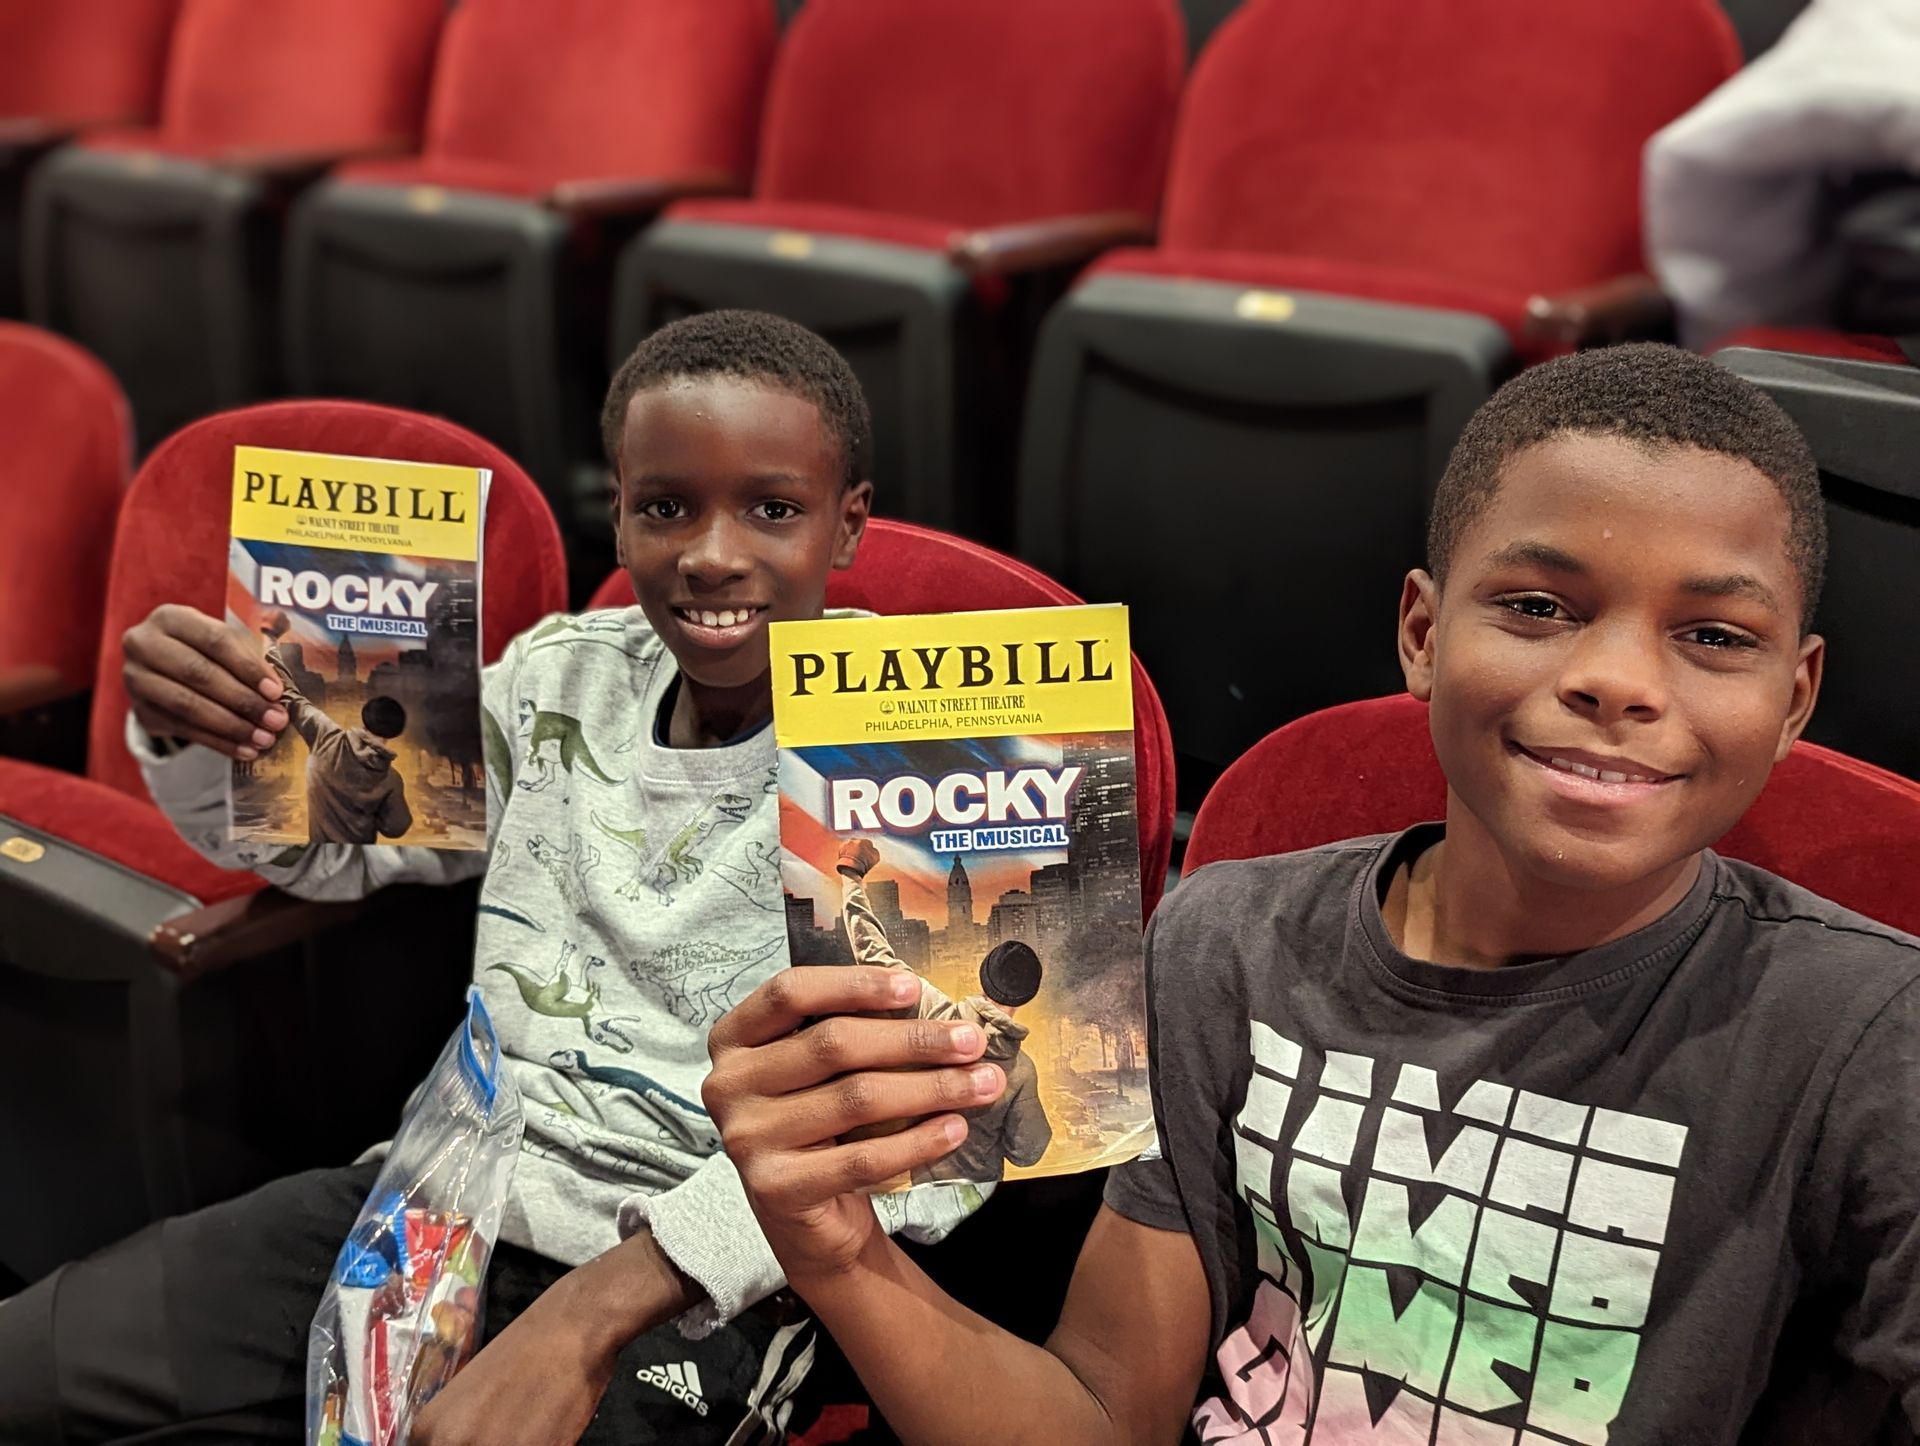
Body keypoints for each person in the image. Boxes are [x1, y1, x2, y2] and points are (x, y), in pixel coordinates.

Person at [702, 343, 1920, 1444]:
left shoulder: (1868, 1040)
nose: (1617, 680)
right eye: (1539, 608)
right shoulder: (1226, 941)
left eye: (1714, 636)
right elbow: (1103, 1415)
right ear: (1423, 634)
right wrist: (837, 1251)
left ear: (1795, 698)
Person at [0, 312, 980, 1445]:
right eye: (667, 508)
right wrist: (197, 733)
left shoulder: (920, 743)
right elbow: (329, 850)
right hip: (442, 1193)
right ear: (620, 512)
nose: (713, 554)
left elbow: (937, 1137)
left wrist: (597, 1309)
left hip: (717, 1274)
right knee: (28, 1370)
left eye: (773, 509)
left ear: (846, 522)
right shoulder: (559, 675)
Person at [834, 837, 1052, 1185]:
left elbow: (873, 954)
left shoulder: (936, 1017)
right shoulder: (1022, 1071)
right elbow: (1028, 1151)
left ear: (983, 976)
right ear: (1027, 996)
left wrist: (852, 878)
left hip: (924, 1186)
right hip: (982, 1196)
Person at [258, 612, 413, 845]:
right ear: (395, 732)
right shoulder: (391, 780)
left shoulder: (325, 737)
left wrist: (270, 637)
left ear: (365, 717)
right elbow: (396, 828)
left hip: (318, 854)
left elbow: (286, 693)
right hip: (360, 858)